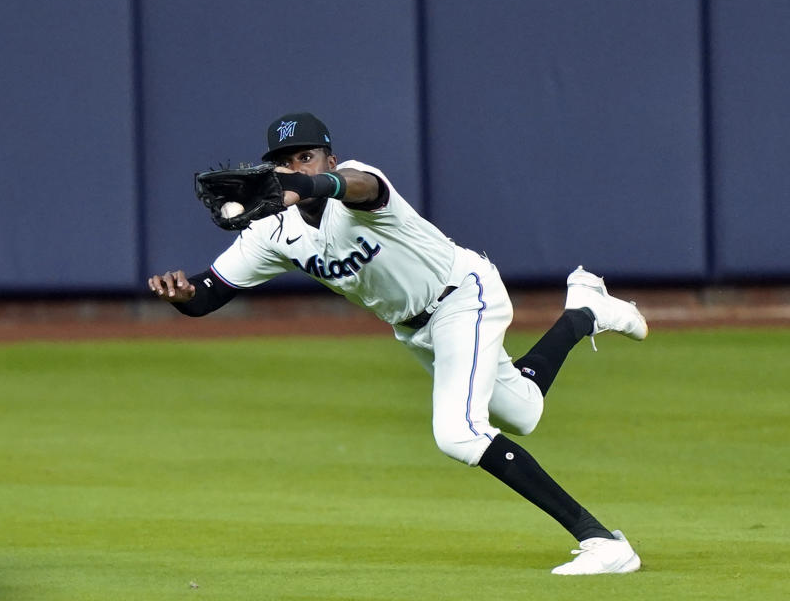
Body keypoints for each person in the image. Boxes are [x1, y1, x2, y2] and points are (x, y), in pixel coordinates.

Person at [147, 112, 647, 575]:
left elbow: (361, 188)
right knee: (523, 412)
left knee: (458, 433)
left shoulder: (356, 182)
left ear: (329, 159)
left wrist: (305, 185)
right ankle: (585, 310)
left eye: (305, 156)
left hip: (462, 296)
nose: (294, 166)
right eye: (282, 161)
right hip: (414, 329)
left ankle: (603, 542)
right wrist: (184, 293)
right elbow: (208, 295)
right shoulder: (272, 230)